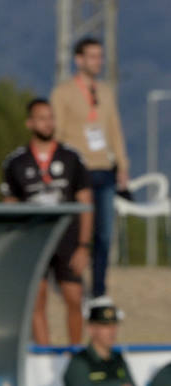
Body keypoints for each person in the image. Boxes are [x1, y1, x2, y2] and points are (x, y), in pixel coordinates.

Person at [1, 98, 93, 346]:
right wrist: (17, 242)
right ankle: (45, 353)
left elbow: (86, 202)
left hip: (68, 238)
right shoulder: (16, 162)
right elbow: (9, 204)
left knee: (74, 296)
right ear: (30, 123)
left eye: (51, 117)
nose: (48, 123)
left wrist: (84, 245)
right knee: (36, 298)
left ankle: (74, 352)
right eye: (41, 118)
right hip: (33, 238)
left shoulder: (71, 157)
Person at [51, 36, 128, 300]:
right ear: (79, 60)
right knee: (75, 233)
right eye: (93, 56)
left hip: (104, 169)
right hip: (77, 172)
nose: (99, 61)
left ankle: (98, 292)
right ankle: (71, 284)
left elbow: (114, 129)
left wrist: (122, 165)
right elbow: (57, 133)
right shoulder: (63, 93)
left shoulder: (105, 91)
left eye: (100, 56)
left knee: (103, 235)